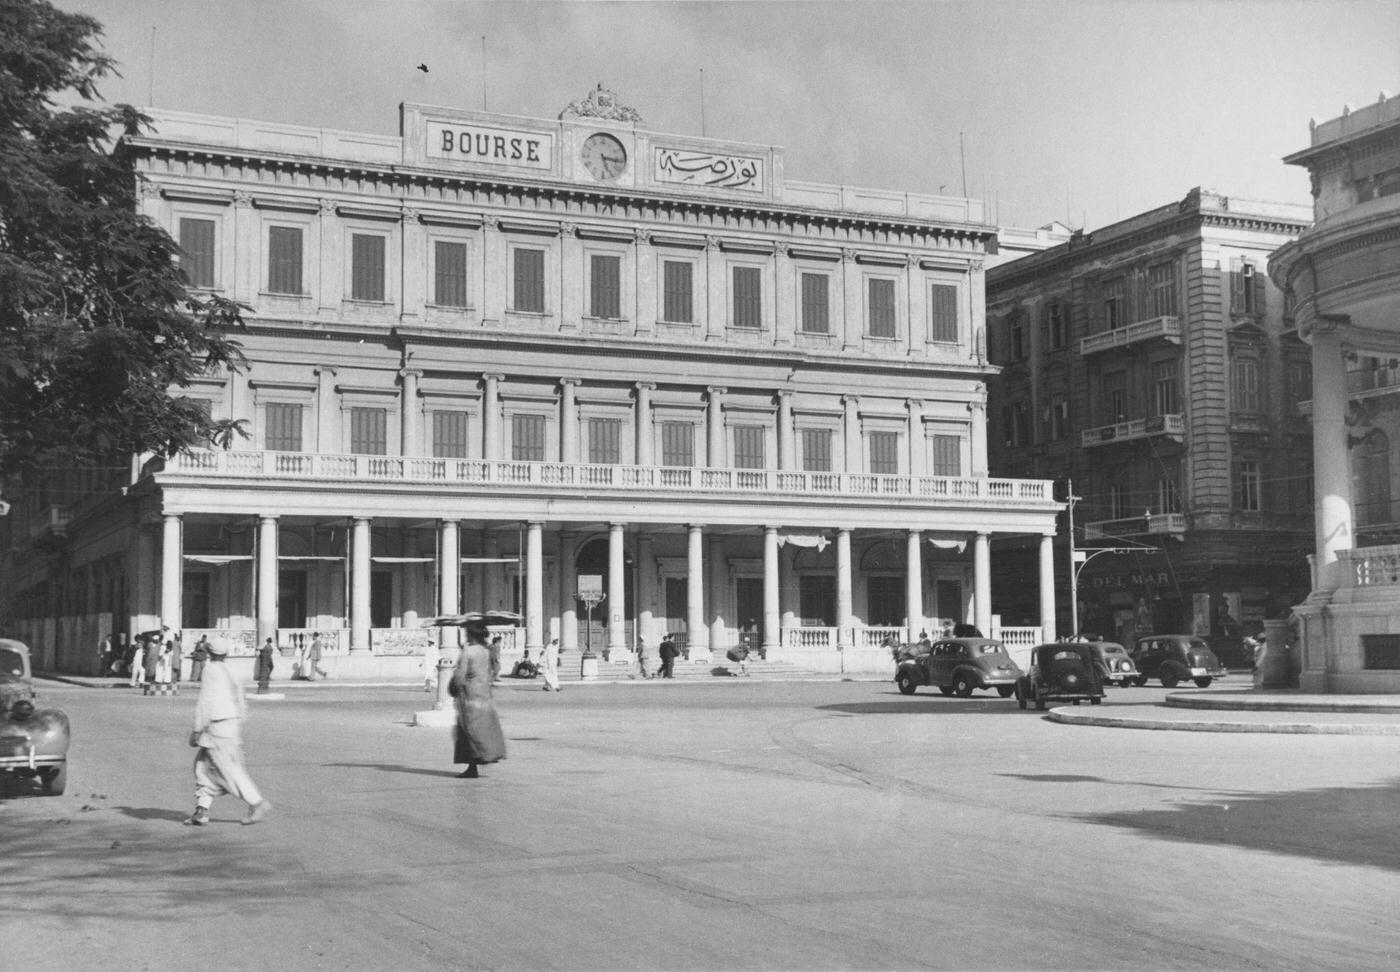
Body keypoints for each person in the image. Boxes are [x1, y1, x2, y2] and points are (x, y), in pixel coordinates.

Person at [183, 638, 271, 826]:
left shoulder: (210, 670)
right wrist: (238, 720)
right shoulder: (233, 670)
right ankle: (201, 810)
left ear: (209, 653)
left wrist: (197, 729)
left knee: (227, 769)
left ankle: (256, 802)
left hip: (216, 725)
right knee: (202, 767)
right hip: (231, 724)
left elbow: (206, 701)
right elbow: (240, 698)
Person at [450, 617, 506, 778]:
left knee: (467, 729)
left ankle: (472, 767)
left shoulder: (469, 651)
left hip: (469, 694)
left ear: (471, 635)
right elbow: (493, 669)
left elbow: (460, 674)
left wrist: (455, 686)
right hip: (484, 694)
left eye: (467, 633)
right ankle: (483, 757)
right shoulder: (486, 650)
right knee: (481, 728)